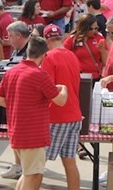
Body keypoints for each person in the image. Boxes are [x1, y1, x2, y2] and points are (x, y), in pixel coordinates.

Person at [0, 36, 68, 190]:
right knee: (33, 176)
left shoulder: (12, 72)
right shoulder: (40, 75)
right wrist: (64, 89)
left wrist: (20, 105)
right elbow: (60, 101)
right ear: (44, 55)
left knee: (27, 174)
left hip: (16, 131)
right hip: (33, 135)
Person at [40, 25, 83, 190]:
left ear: (46, 40)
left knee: (37, 164)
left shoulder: (48, 57)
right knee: (70, 162)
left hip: (57, 117)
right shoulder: (72, 56)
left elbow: (47, 89)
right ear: (61, 37)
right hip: (74, 115)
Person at [65, 14, 106, 79]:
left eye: (96, 28)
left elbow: (105, 62)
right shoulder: (72, 39)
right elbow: (64, 58)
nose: (93, 31)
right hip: (78, 76)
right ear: (84, 27)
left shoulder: (99, 37)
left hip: (95, 76)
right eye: (90, 29)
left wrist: (102, 50)